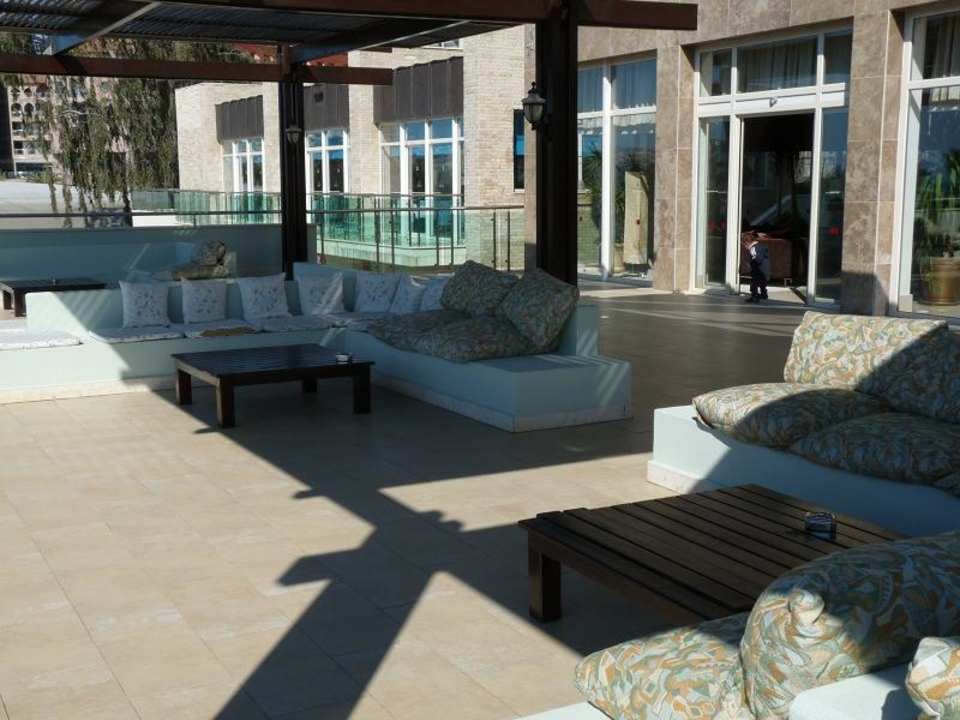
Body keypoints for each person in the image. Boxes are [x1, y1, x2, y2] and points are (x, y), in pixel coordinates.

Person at [745, 236, 769, 303]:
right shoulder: (761, 246)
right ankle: (764, 294)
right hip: (764, 268)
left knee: (754, 282)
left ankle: (754, 297)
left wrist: (750, 264)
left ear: (748, 242)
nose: (745, 247)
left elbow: (757, 258)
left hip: (757, 269)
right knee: (762, 282)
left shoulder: (753, 248)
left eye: (745, 244)